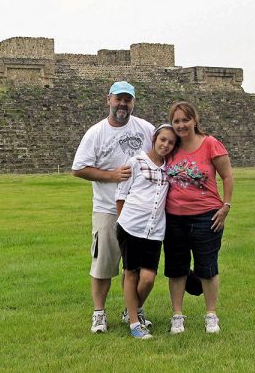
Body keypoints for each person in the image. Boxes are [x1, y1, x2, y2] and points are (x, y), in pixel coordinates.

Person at [71, 81, 154, 333]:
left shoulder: (146, 129)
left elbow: (162, 155)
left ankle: (133, 311)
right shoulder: (96, 133)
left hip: (139, 211)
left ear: (133, 103)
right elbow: (79, 169)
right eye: (118, 99)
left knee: (137, 268)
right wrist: (112, 175)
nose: (122, 104)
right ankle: (99, 313)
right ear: (108, 99)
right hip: (107, 209)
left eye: (127, 100)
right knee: (103, 265)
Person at [164, 101, 234, 334]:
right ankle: (177, 316)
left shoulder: (210, 144)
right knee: (176, 268)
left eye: (185, 120)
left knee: (207, 267)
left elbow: (227, 176)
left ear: (195, 120)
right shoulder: (171, 146)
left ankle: (211, 315)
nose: (181, 125)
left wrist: (226, 206)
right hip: (174, 218)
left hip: (207, 216)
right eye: (176, 121)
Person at [115, 124, 178, 339]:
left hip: (155, 230)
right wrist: (123, 224)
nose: (166, 145)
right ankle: (135, 323)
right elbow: (121, 196)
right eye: (163, 140)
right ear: (154, 138)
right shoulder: (136, 162)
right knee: (131, 273)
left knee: (149, 278)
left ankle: (130, 310)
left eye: (171, 142)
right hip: (131, 227)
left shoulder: (170, 168)